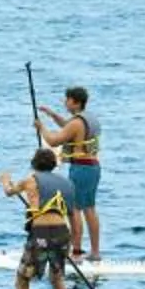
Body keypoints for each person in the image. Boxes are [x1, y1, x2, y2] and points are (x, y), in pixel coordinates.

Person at [0, 146, 78, 289]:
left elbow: (9, 192)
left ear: (34, 164)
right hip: (62, 234)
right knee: (57, 279)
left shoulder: (30, 180)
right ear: (53, 165)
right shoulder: (67, 184)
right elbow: (74, 218)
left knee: (22, 284)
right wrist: (75, 246)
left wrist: (5, 180)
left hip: (41, 235)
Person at [36, 85, 102, 261]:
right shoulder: (89, 119)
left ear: (76, 102)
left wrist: (41, 127)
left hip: (80, 169)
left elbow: (53, 141)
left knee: (74, 211)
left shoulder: (76, 123)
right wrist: (51, 115)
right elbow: (67, 125)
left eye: (68, 100)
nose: (65, 103)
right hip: (93, 167)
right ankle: (95, 252)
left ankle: (76, 252)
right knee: (90, 209)